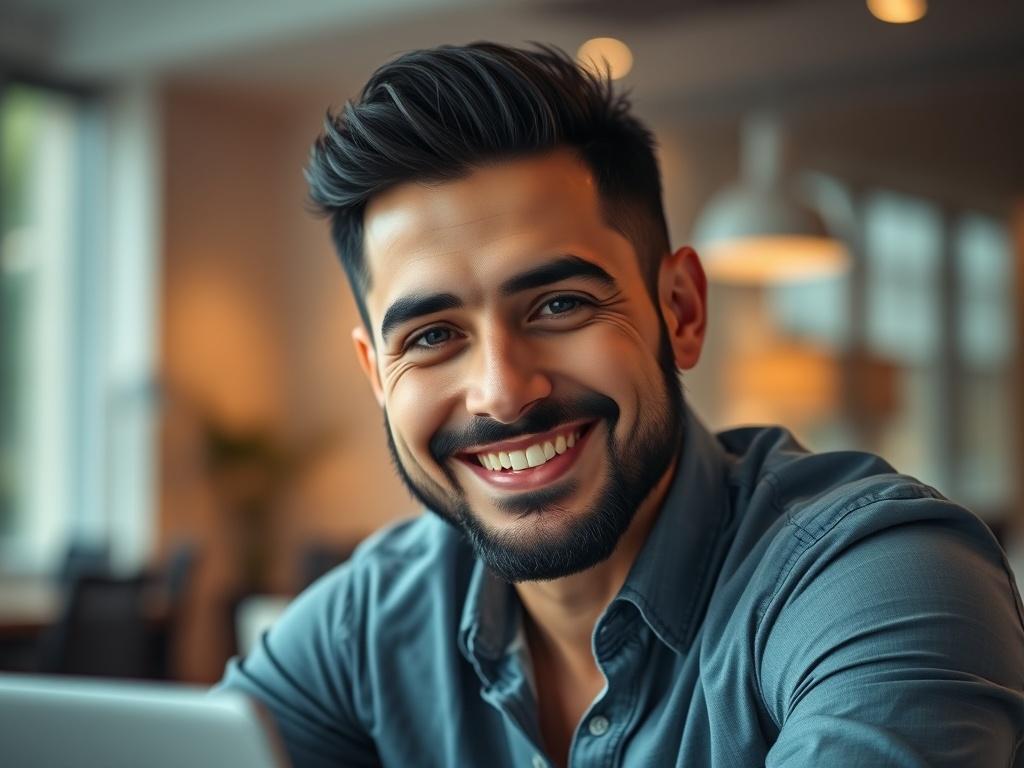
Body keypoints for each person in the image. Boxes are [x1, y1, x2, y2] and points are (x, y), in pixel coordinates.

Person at [217, 43, 1024, 767]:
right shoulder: (368, 621)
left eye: (559, 305)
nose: (503, 392)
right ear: (376, 374)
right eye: (431, 336)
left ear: (681, 311)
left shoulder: (879, 579)